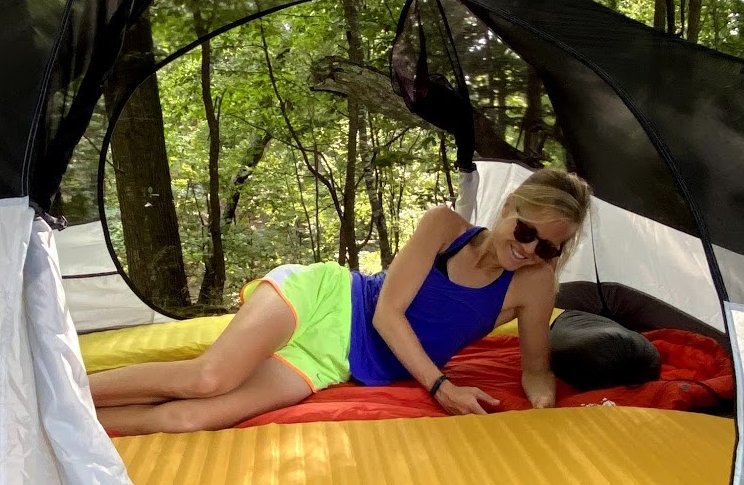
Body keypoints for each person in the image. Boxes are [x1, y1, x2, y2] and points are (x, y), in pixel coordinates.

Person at [91, 167, 591, 435]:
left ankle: (63, 427)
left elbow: (536, 368)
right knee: (208, 379)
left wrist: (545, 410)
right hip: (326, 299)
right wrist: (441, 387)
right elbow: (387, 314)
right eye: (526, 232)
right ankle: (58, 390)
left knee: (186, 418)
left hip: (336, 359)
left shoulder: (534, 283)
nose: (530, 250)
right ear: (509, 207)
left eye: (548, 247)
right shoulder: (444, 226)